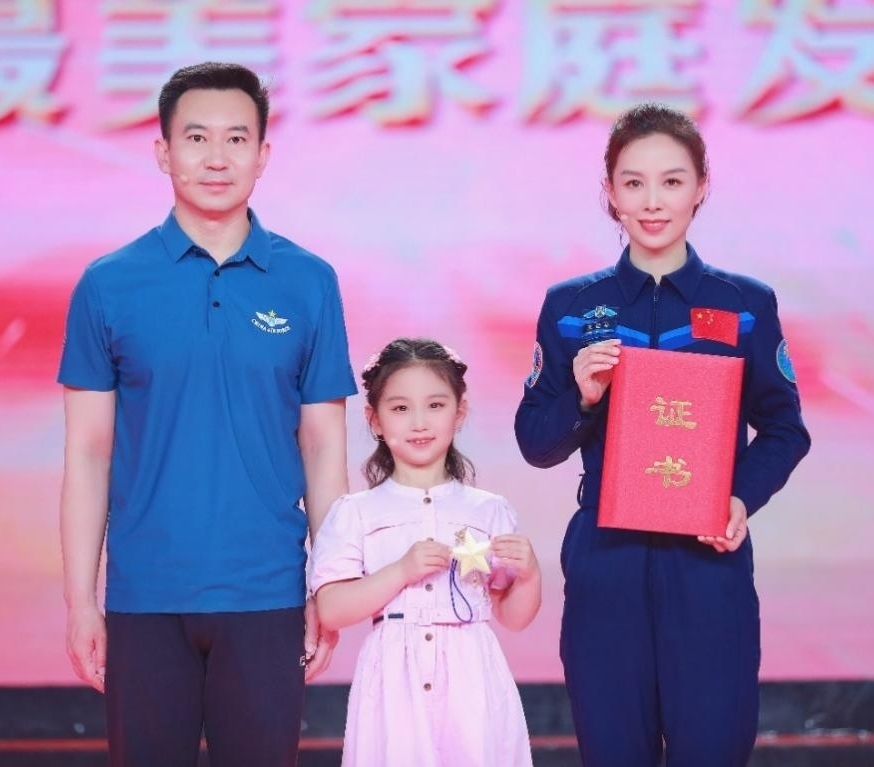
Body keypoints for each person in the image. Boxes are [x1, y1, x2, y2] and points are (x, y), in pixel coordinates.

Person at [57, 61, 356, 767]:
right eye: (196, 138)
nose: (216, 158)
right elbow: (88, 454)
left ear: (263, 154)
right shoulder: (108, 285)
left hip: (267, 592)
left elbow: (323, 447)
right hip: (144, 595)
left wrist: (330, 585)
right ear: (163, 151)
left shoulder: (309, 282)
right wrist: (80, 601)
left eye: (235, 138)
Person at [515, 104, 811, 767]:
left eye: (672, 181)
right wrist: (582, 397)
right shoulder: (570, 307)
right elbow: (535, 442)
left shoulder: (744, 304)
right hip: (605, 560)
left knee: (713, 747)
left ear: (701, 186)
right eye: (634, 182)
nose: (652, 202)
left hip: (707, 563)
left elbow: (784, 428)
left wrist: (737, 498)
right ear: (610, 191)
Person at [310, 338, 542, 767]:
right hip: (393, 680)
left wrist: (529, 576)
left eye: (435, 405)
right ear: (374, 419)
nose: (419, 422)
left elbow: (512, 616)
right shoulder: (356, 512)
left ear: (460, 412)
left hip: (472, 678)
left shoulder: (489, 509)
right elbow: (332, 609)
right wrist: (400, 571)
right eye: (400, 408)